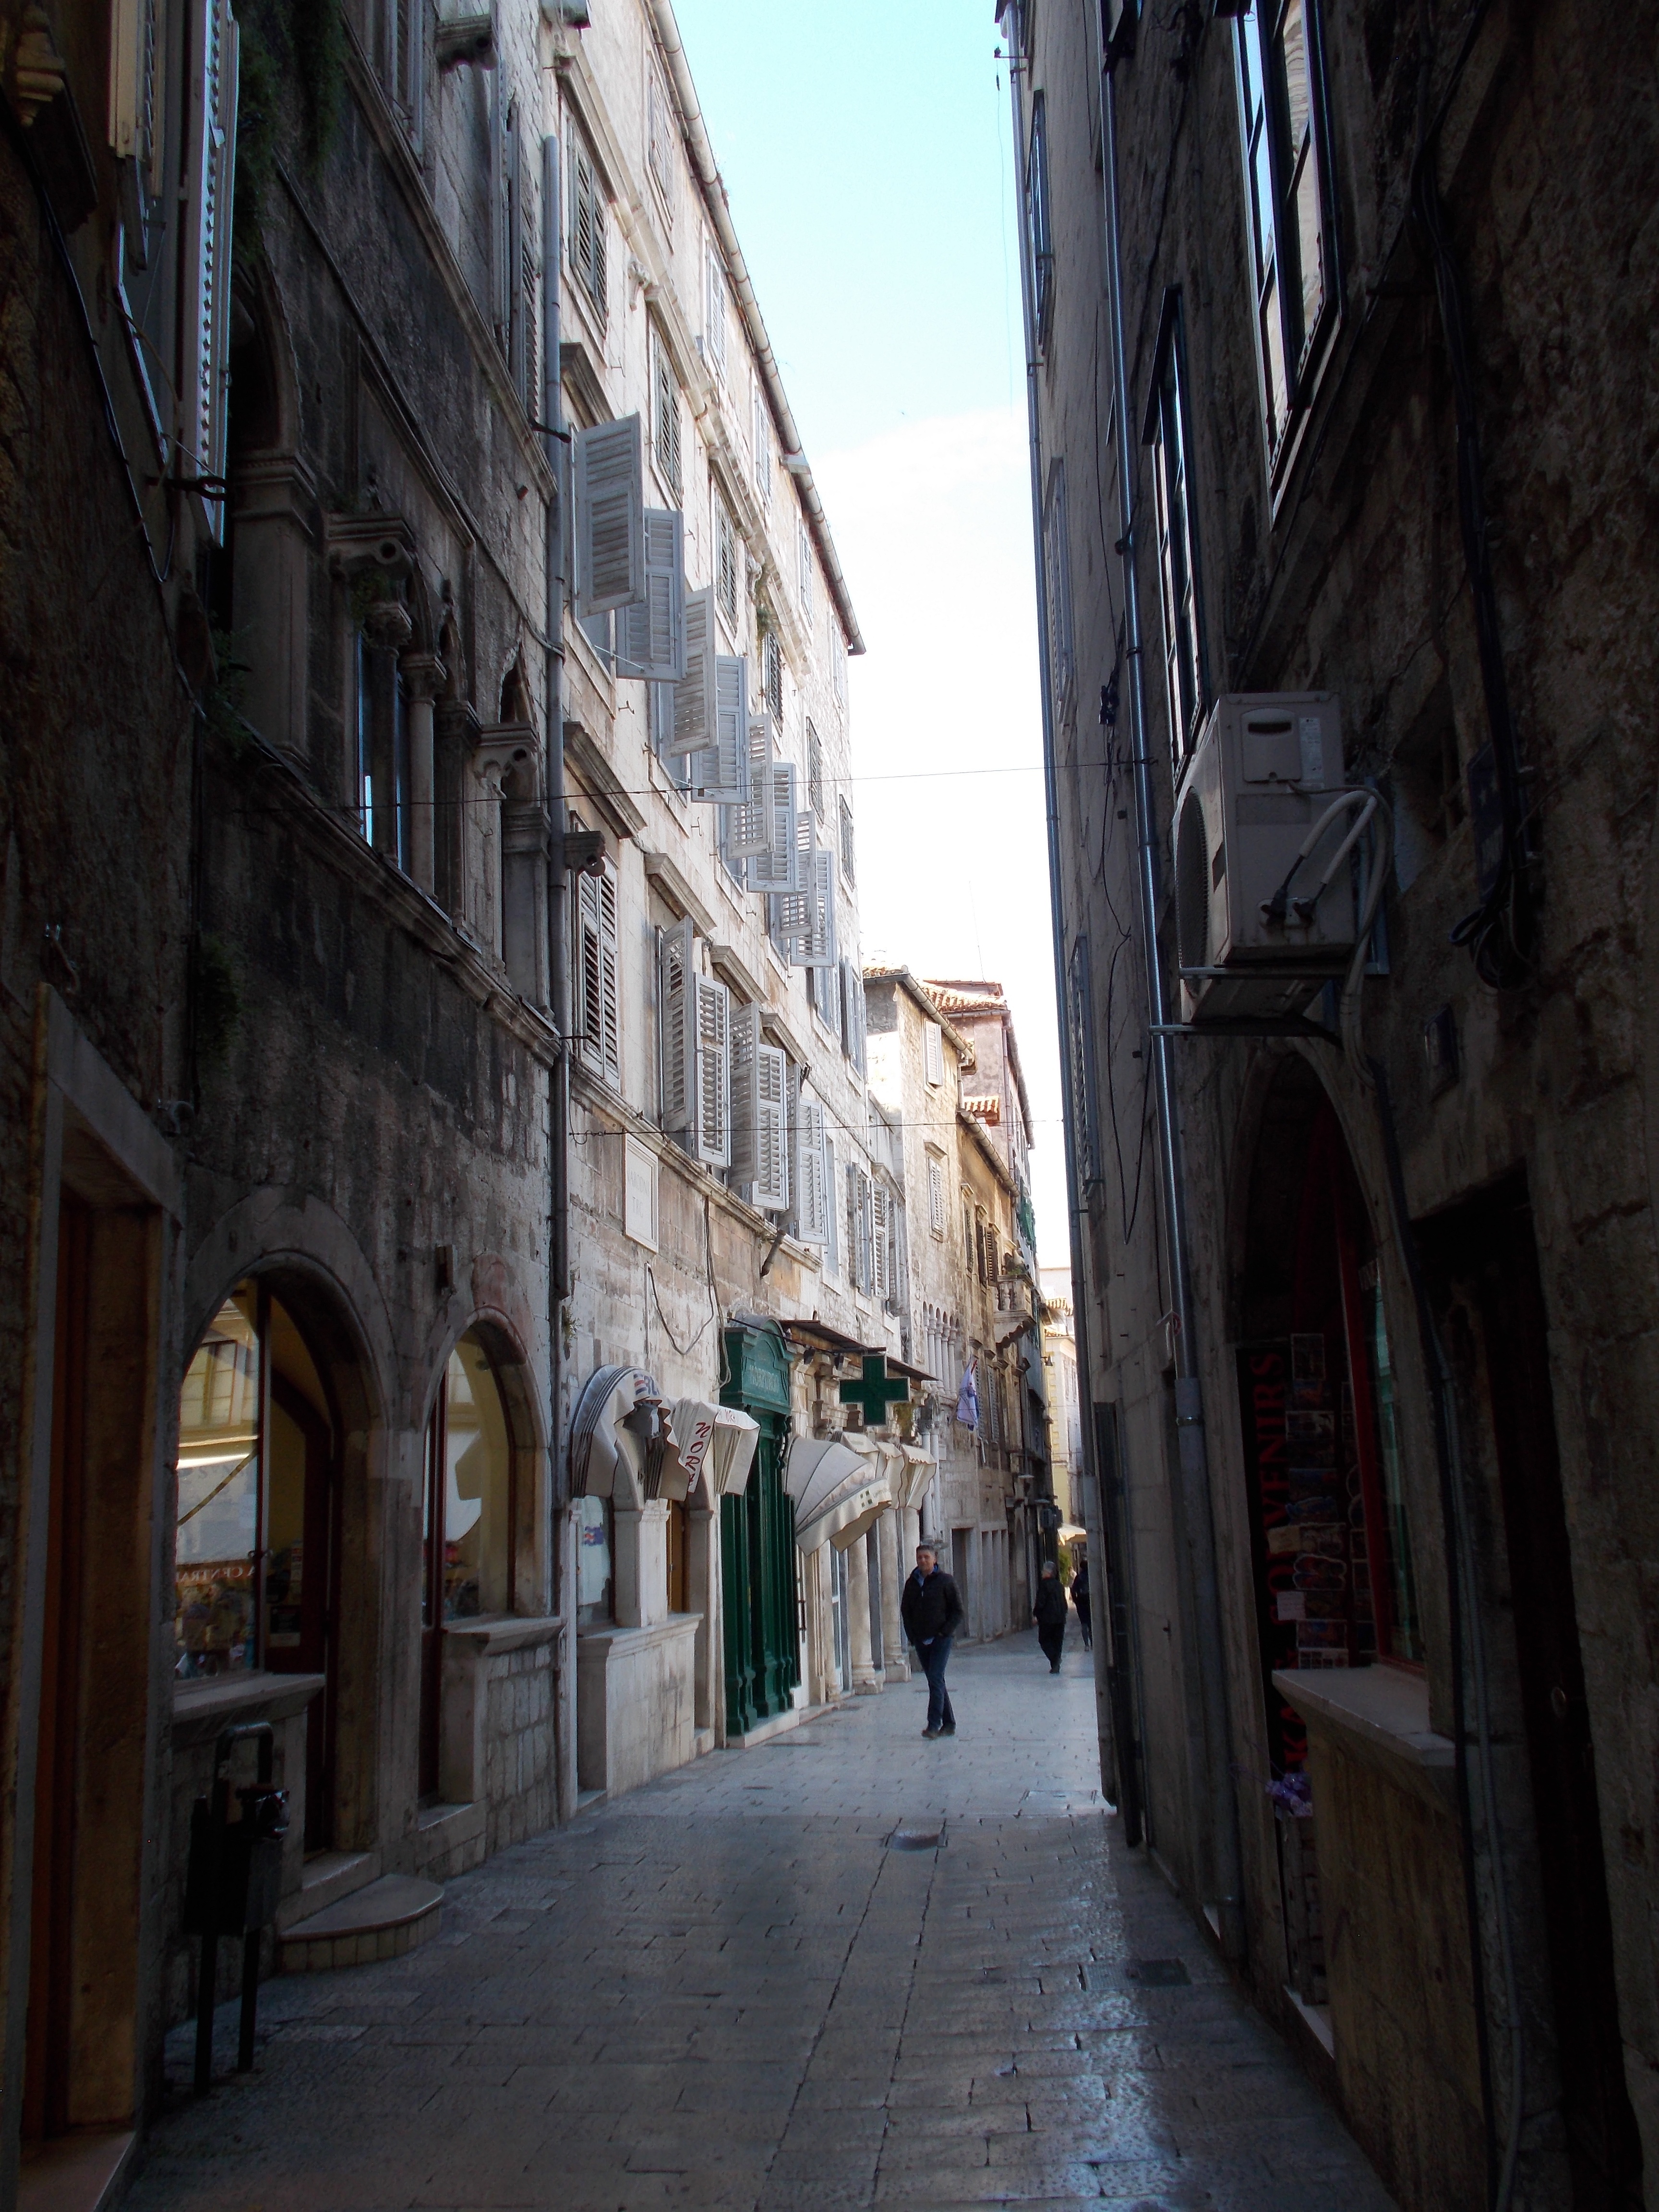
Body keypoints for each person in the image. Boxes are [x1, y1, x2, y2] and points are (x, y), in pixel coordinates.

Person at [901, 1542, 963, 1739]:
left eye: (926, 1557)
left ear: (934, 1559)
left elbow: (958, 1611)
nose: (923, 1561)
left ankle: (934, 1725)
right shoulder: (912, 1583)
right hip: (921, 1639)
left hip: (941, 1639)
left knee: (935, 1678)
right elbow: (906, 1611)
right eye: (920, 1558)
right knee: (936, 1680)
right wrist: (912, 1636)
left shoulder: (945, 1581)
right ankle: (950, 1723)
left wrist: (945, 1633)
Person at [1033, 1560, 1068, 1672]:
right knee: (1058, 1642)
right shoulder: (1060, 1586)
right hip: (1060, 1619)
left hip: (1047, 1619)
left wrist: (1036, 1614)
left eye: (1044, 1571)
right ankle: (1055, 1665)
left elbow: (1041, 1602)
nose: (1042, 1573)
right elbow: (1064, 1603)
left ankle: (1055, 1660)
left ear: (1048, 1573)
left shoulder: (1044, 1585)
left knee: (1044, 1640)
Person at [1071, 1555, 1093, 1651]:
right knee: (1091, 1623)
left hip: (1081, 1603)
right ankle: (1093, 1643)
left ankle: (1087, 1645)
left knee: (1084, 1624)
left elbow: (1073, 1590)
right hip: (1091, 1601)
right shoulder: (1092, 1576)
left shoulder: (1079, 1578)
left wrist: (1076, 1600)